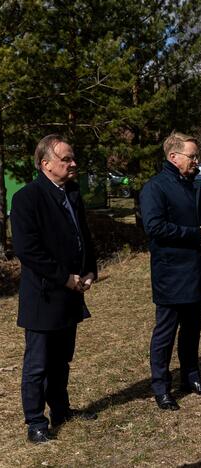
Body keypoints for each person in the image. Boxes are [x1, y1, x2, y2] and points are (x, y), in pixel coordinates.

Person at [11, 134, 98, 443]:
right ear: (45, 164)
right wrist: (65, 277)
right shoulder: (27, 198)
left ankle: (61, 408)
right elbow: (28, 250)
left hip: (71, 291)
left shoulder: (72, 192)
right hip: (44, 294)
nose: (73, 163)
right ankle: (35, 421)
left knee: (62, 358)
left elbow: (82, 236)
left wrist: (90, 270)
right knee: (38, 363)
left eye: (73, 157)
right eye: (66, 159)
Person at [140, 131, 201, 411]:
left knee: (192, 330)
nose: (196, 161)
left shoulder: (194, 186)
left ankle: (191, 377)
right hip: (171, 274)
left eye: (196, 156)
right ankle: (161, 387)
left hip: (197, 271)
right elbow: (154, 227)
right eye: (192, 156)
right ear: (173, 157)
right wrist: (194, 234)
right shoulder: (155, 188)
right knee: (165, 333)